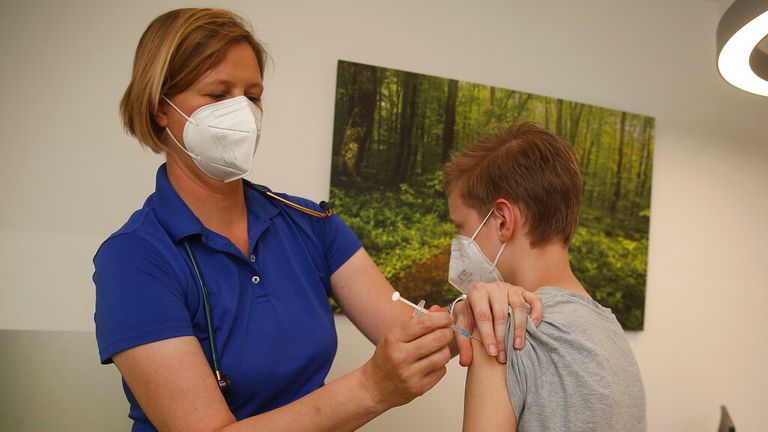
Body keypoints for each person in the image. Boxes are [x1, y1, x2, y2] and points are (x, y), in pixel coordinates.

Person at [93, 8, 541, 431]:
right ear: (160, 108)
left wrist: (472, 311)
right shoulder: (135, 259)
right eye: (217, 94)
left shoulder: (308, 224)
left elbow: (408, 336)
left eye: (253, 96)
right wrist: (370, 388)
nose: (242, 114)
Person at [444, 123, 646, 431]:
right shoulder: (611, 332)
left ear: (502, 220)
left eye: (461, 228)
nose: (459, 243)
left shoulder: (505, 328)